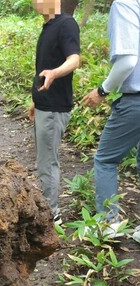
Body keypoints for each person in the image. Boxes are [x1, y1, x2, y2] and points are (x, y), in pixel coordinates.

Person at [82, 0, 140, 224]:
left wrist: (102, 90)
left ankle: (108, 224)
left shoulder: (125, 4)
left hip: (135, 100)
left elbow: (127, 61)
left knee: (106, 159)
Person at [29, 0, 80, 225]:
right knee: (44, 160)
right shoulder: (49, 26)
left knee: (48, 162)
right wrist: (35, 99)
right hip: (44, 104)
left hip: (54, 107)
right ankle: (47, 208)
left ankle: (51, 215)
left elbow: (74, 59)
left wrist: (55, 73)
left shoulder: (66, 24)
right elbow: (44, 66)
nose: (37, 2)